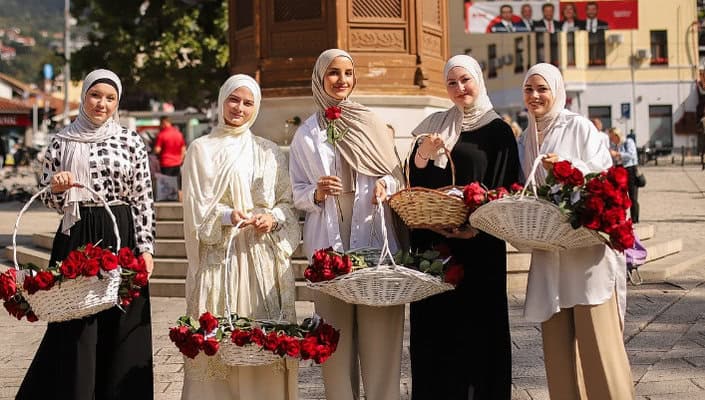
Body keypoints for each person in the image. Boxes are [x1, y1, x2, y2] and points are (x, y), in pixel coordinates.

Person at [17, 69, 155, 400]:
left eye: (110, 98)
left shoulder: (130, 140)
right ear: (84, 97)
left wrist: (147, 248)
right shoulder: (61, 140)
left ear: (117, 102)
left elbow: (143, 197)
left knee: (122, 321)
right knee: (75, 322)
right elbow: (47, 196)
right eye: (95, 95)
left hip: (120, 229)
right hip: (77, 234)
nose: (101, 104)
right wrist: (58, 188)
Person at [289, 48, 405, 400]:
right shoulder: (306, 134)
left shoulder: (372, 123)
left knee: (382, 339)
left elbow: (397, 174)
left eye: (348, 73)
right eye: (334, 73)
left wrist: (388, 184)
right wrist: (317, 193)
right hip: (329, 251)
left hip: (373, 242)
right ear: (320, 78)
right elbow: (294, 192)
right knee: (334, 343)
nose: (342, 80)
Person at [180, 74, 301, 399]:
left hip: (261, 262)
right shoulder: (201, 150)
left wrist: (271, 218)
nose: (240, 108)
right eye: (234, 99)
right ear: (222, 101)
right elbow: (194, 209)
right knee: (218, 344)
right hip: (221, 260)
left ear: (256, 107)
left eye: (248, 102)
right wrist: (225, 216)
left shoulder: (270, 151)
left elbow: (286, 204)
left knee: (263, 343)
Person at [519, 63, 634, 400]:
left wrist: (569, 169)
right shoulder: (526, 137)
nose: (535, 96)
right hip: (550, 253)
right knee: (558, 358)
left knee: (600, 351)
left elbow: (606, 179)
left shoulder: (580, 127)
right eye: (529, 89)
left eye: (542, 89)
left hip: (585, 255)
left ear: (557, 91)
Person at [408, 55, 519, 400]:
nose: (460, 89)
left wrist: (476, 229)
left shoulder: (498, 131)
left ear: (478, 81)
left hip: (478, 250)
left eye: (465, 80)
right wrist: (423, 153)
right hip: (436, 247)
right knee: (435, 336)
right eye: (452, 83)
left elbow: (506, 189)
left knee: (476, 337)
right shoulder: (435, 125)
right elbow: (415, 183)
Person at [609, 127, 640, 223]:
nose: (611, 139)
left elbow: (631, 154)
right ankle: (622, 217)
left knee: (633, 195)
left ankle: (634, 219)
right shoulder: (614, 145)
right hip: (619, 170)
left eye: (612, 137)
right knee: (620, 195)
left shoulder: (628, 142)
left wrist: (617, 154)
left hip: (629, 169)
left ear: (617, 135)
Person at [154, 116, 186, 201]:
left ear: (164, 123)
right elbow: (183, 148)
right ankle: (180, 199)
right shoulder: (178, 133)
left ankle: (168, 198)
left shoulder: (162, 134)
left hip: (166, 162)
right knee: (178, 181)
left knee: (166, 181)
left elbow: (157, 150)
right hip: (177, 162)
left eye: (161, 123)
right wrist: (181, 159)